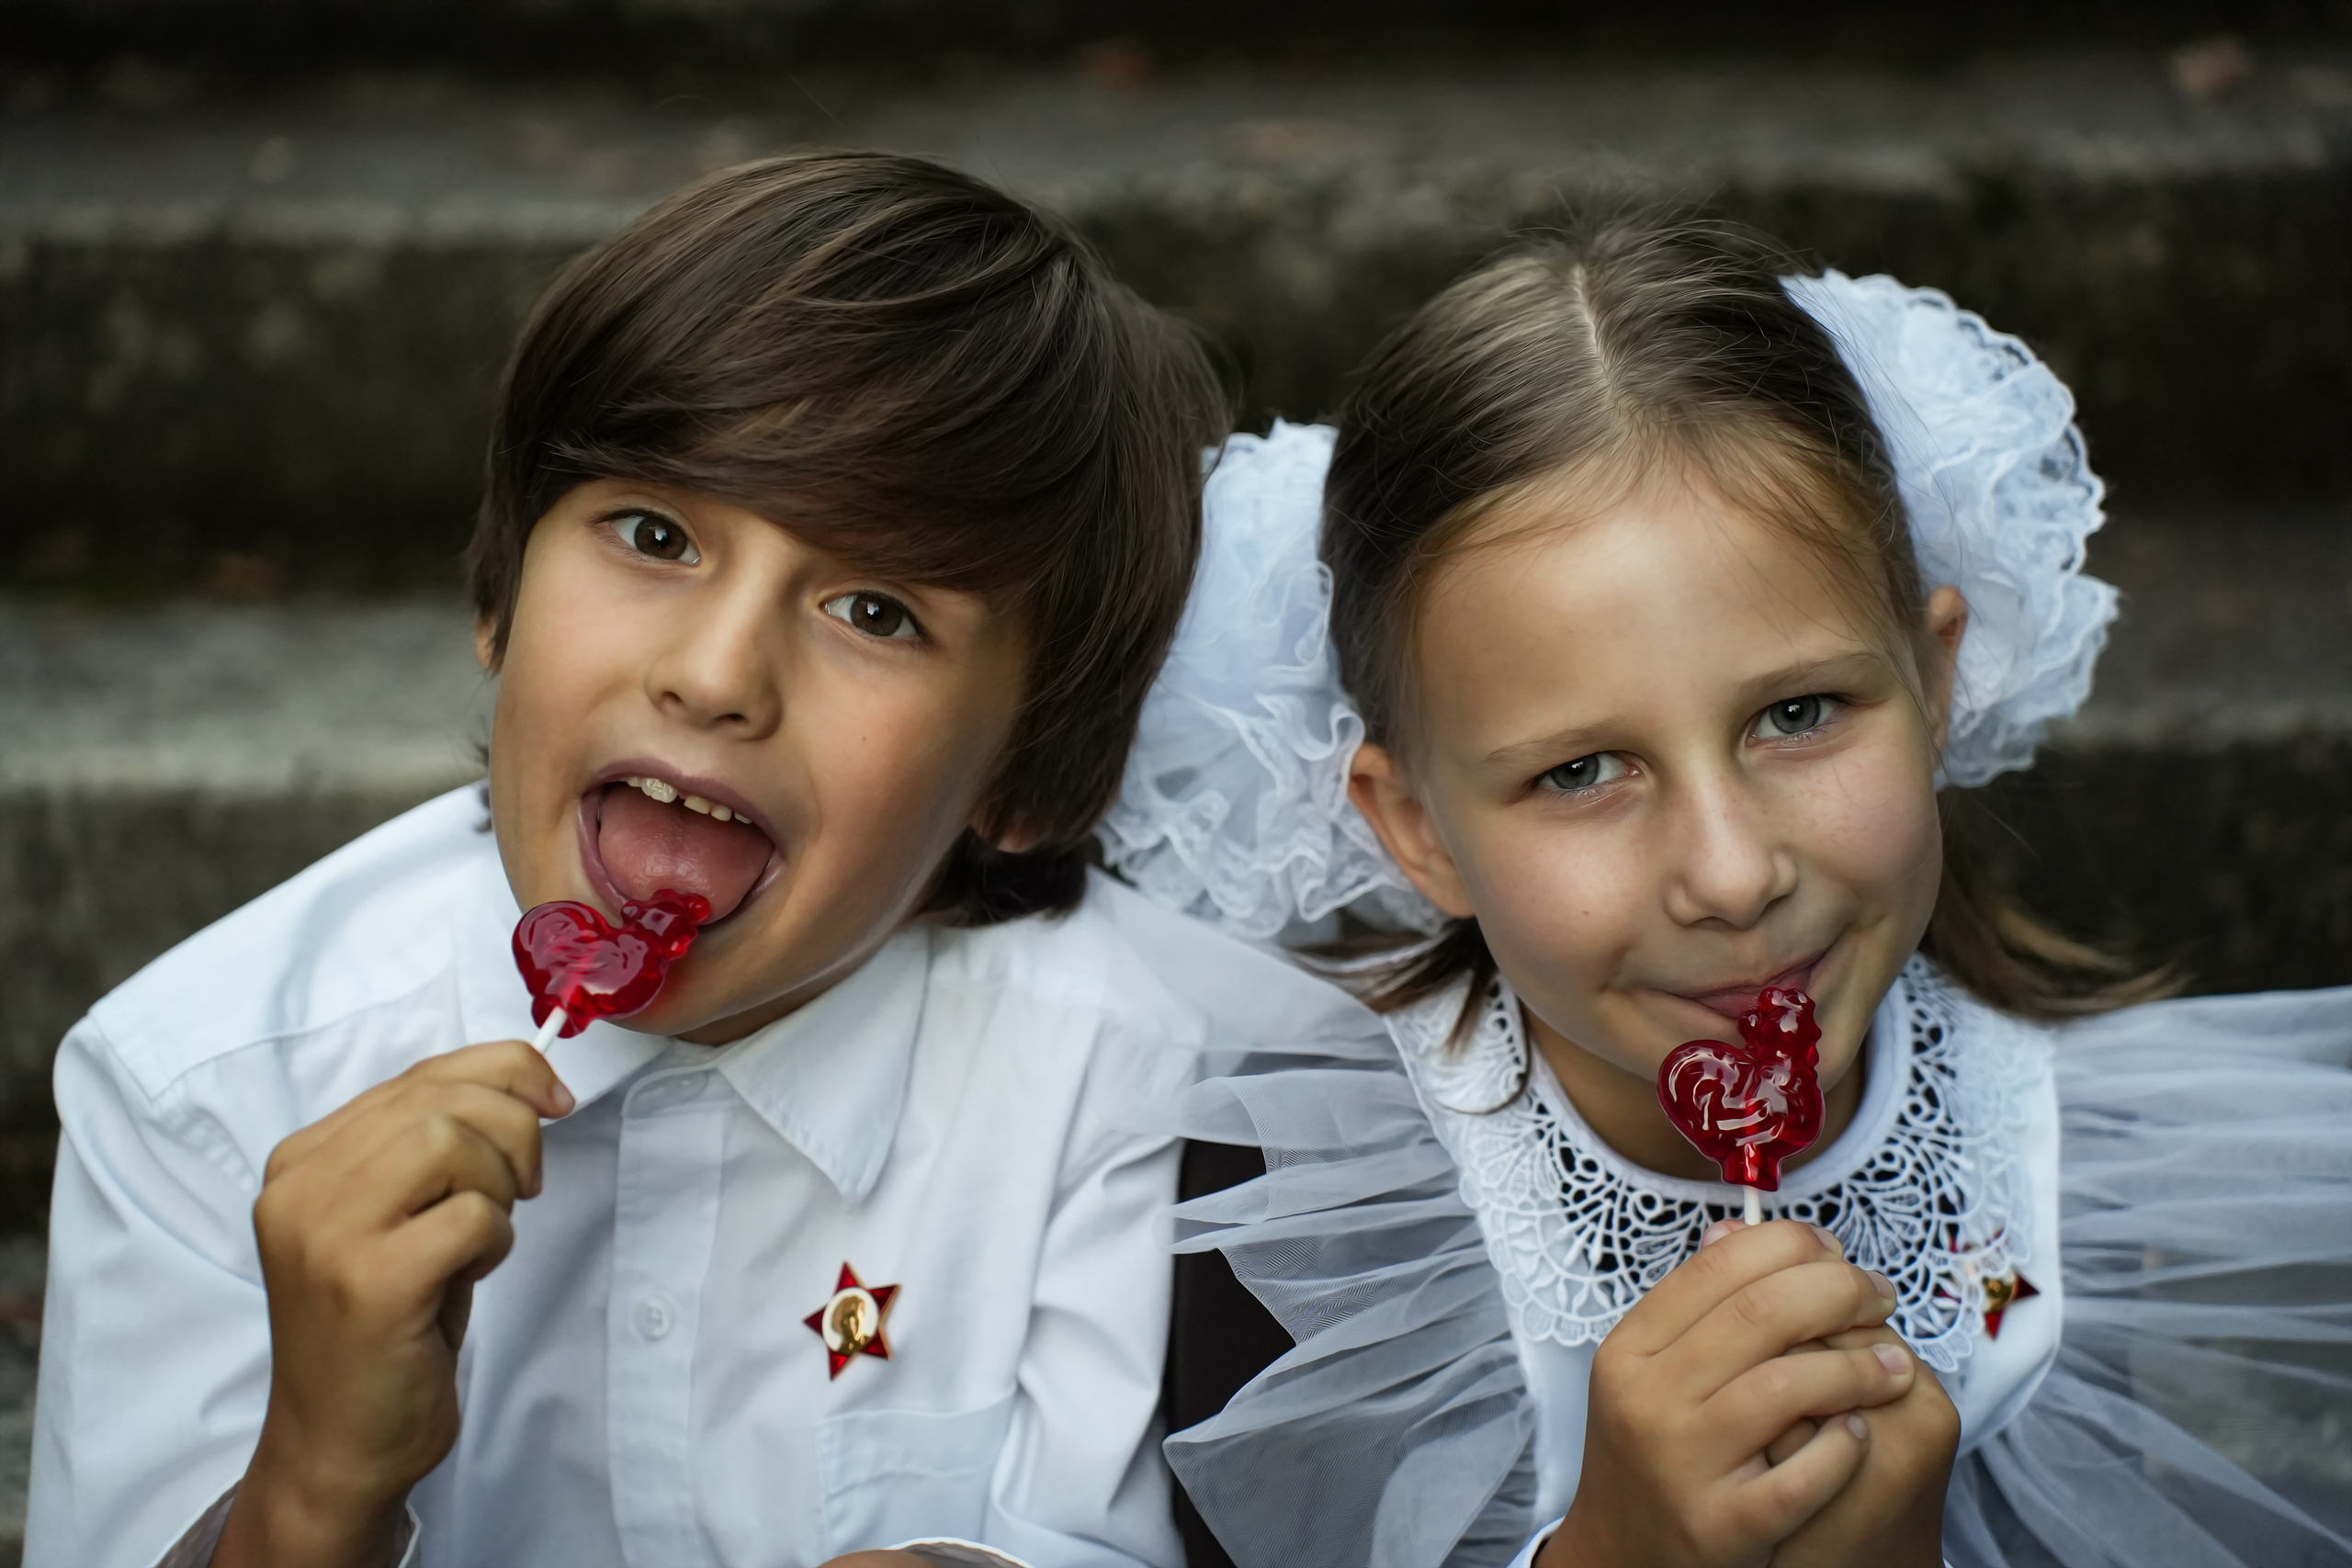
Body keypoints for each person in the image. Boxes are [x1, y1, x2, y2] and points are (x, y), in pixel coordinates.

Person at [29, 151, 1377, 1568]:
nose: (718, 673)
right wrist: (312, 1486)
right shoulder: (201, 1088)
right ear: (499, 594)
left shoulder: (1190, 1098)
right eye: (656, 533)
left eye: (874, 609)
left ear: (1026, 779)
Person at [1103, 219, 2352, 1567]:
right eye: (1582, 770)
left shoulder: (2096, 1188)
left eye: (1799, 712)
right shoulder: (1297, 1221)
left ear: (1936, 683)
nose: (1732, 872)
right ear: (1421, 831)